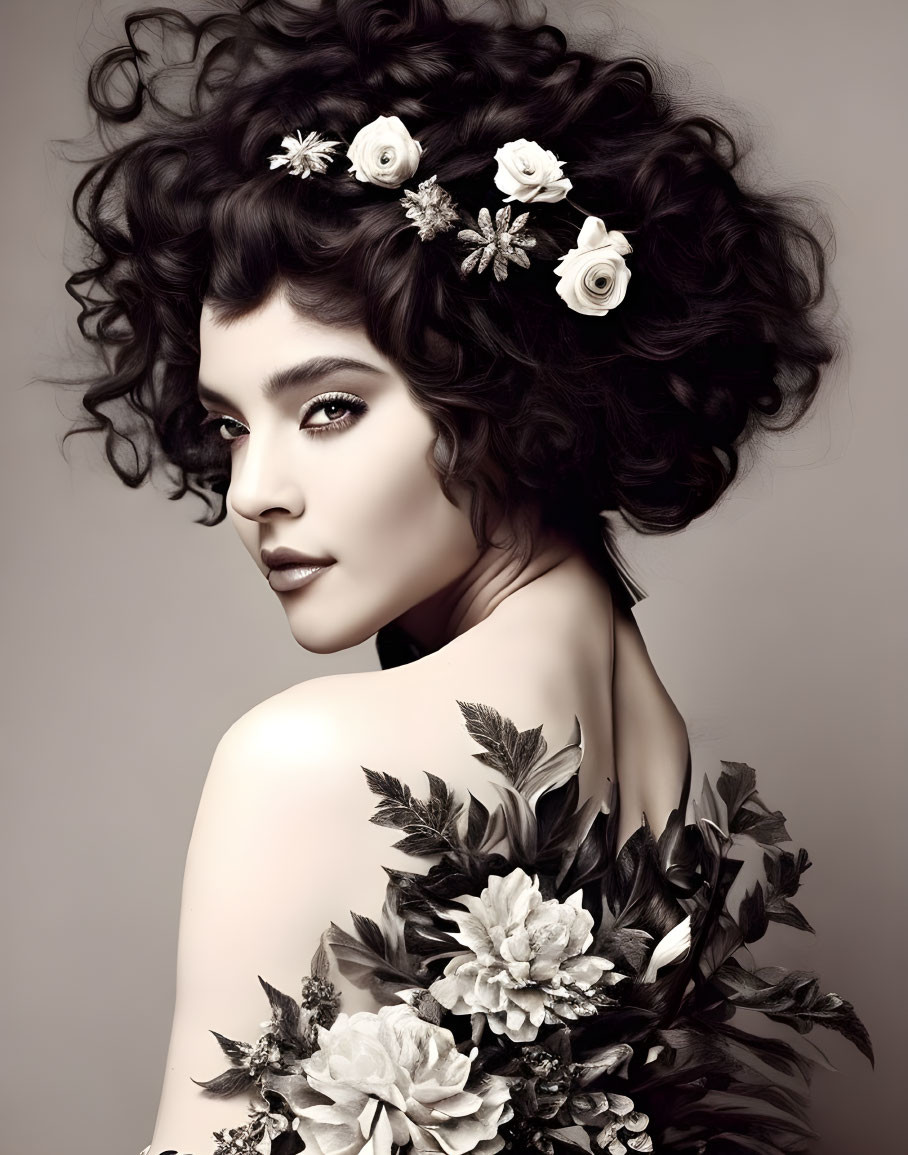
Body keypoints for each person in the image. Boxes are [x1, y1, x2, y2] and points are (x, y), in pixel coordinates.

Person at [61, 1, 851, 1152]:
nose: (250, 493)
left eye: (328, 408)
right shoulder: (648, 737)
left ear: (511, 393)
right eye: (230, 426)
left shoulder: (304, 763)